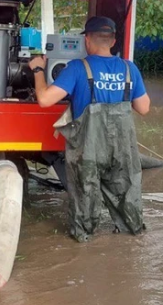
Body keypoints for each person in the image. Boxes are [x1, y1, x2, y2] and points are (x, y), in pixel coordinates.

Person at [28, 16, 151, 242]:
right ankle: (130, 245)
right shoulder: (129, 68)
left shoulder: (77, 68)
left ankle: (84, 249)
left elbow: (45, 99)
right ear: (113, 41)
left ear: (86, 40)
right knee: (127, 201)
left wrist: (37, 70)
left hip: (89, 151)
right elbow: (143, 108)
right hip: (122, 151)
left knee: (85, 202)